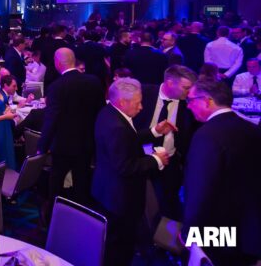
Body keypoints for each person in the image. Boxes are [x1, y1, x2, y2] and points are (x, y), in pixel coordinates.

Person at [92, 78, 172, 266]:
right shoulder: (117, 127)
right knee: (120, 244)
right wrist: (156, 160)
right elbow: (126, 166)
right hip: (119, 197)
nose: (142, 107)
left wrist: (154, 131)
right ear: (122, 102)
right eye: (138, 103)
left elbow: (128, 139)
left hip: (106, 188)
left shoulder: (109, 112)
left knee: (114, 239)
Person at [183, 79, 261, 266]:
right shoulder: (251, 129)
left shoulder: (206, 136)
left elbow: (199, 191)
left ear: (207, 101)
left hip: (219, 230)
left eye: (191, 100)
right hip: (251, 229)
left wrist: (189, 232)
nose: (188, 106)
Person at [39, 48, 105, 206]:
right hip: (87, 143)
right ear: (74, 60)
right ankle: (79, 213)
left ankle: (53, 214)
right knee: (81, 183)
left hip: (63, 146)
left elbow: (51, 120)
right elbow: (101, 112)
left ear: (57, 63)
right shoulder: (94, 82)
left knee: (56, 183)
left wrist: (42, 146)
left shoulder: (56, 87)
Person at [133, 65, 198, 221]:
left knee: (170, 201)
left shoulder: (189, 103)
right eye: (186, 88)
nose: (190, 92)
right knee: (141, 202)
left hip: (171, 160)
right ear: (170, 83)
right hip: (141, 158)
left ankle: (169, 232)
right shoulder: (142, 94)